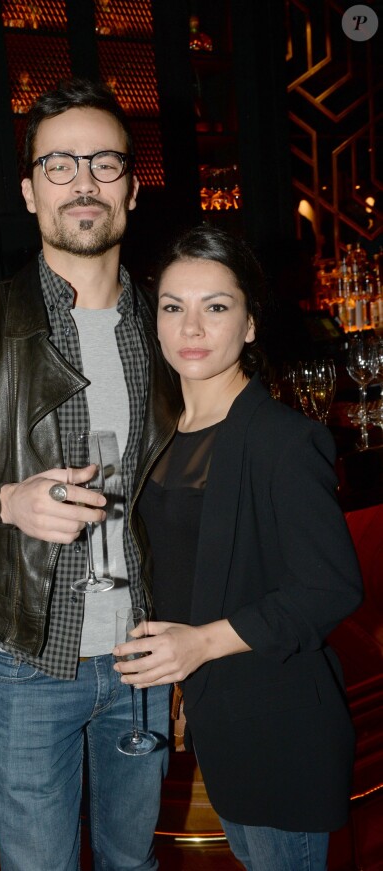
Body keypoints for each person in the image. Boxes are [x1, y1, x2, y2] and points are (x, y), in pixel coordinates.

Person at [0, 78, 181, 871]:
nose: (83, 180)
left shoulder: (172, 325)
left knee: (134, 861)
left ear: (130, 184)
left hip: (144, 655)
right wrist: (4, 501)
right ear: (28, 189)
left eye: (103, 162)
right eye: (60, 164)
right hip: (26, 660)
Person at [113, 224, 363, 871]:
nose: (191, 327)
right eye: (174, 306)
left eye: (215, 306)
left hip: (280, 723)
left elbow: (331, 589)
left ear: (250, 323)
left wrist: (199, 642)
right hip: (219, 716)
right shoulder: (162, 435)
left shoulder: (282, 440)